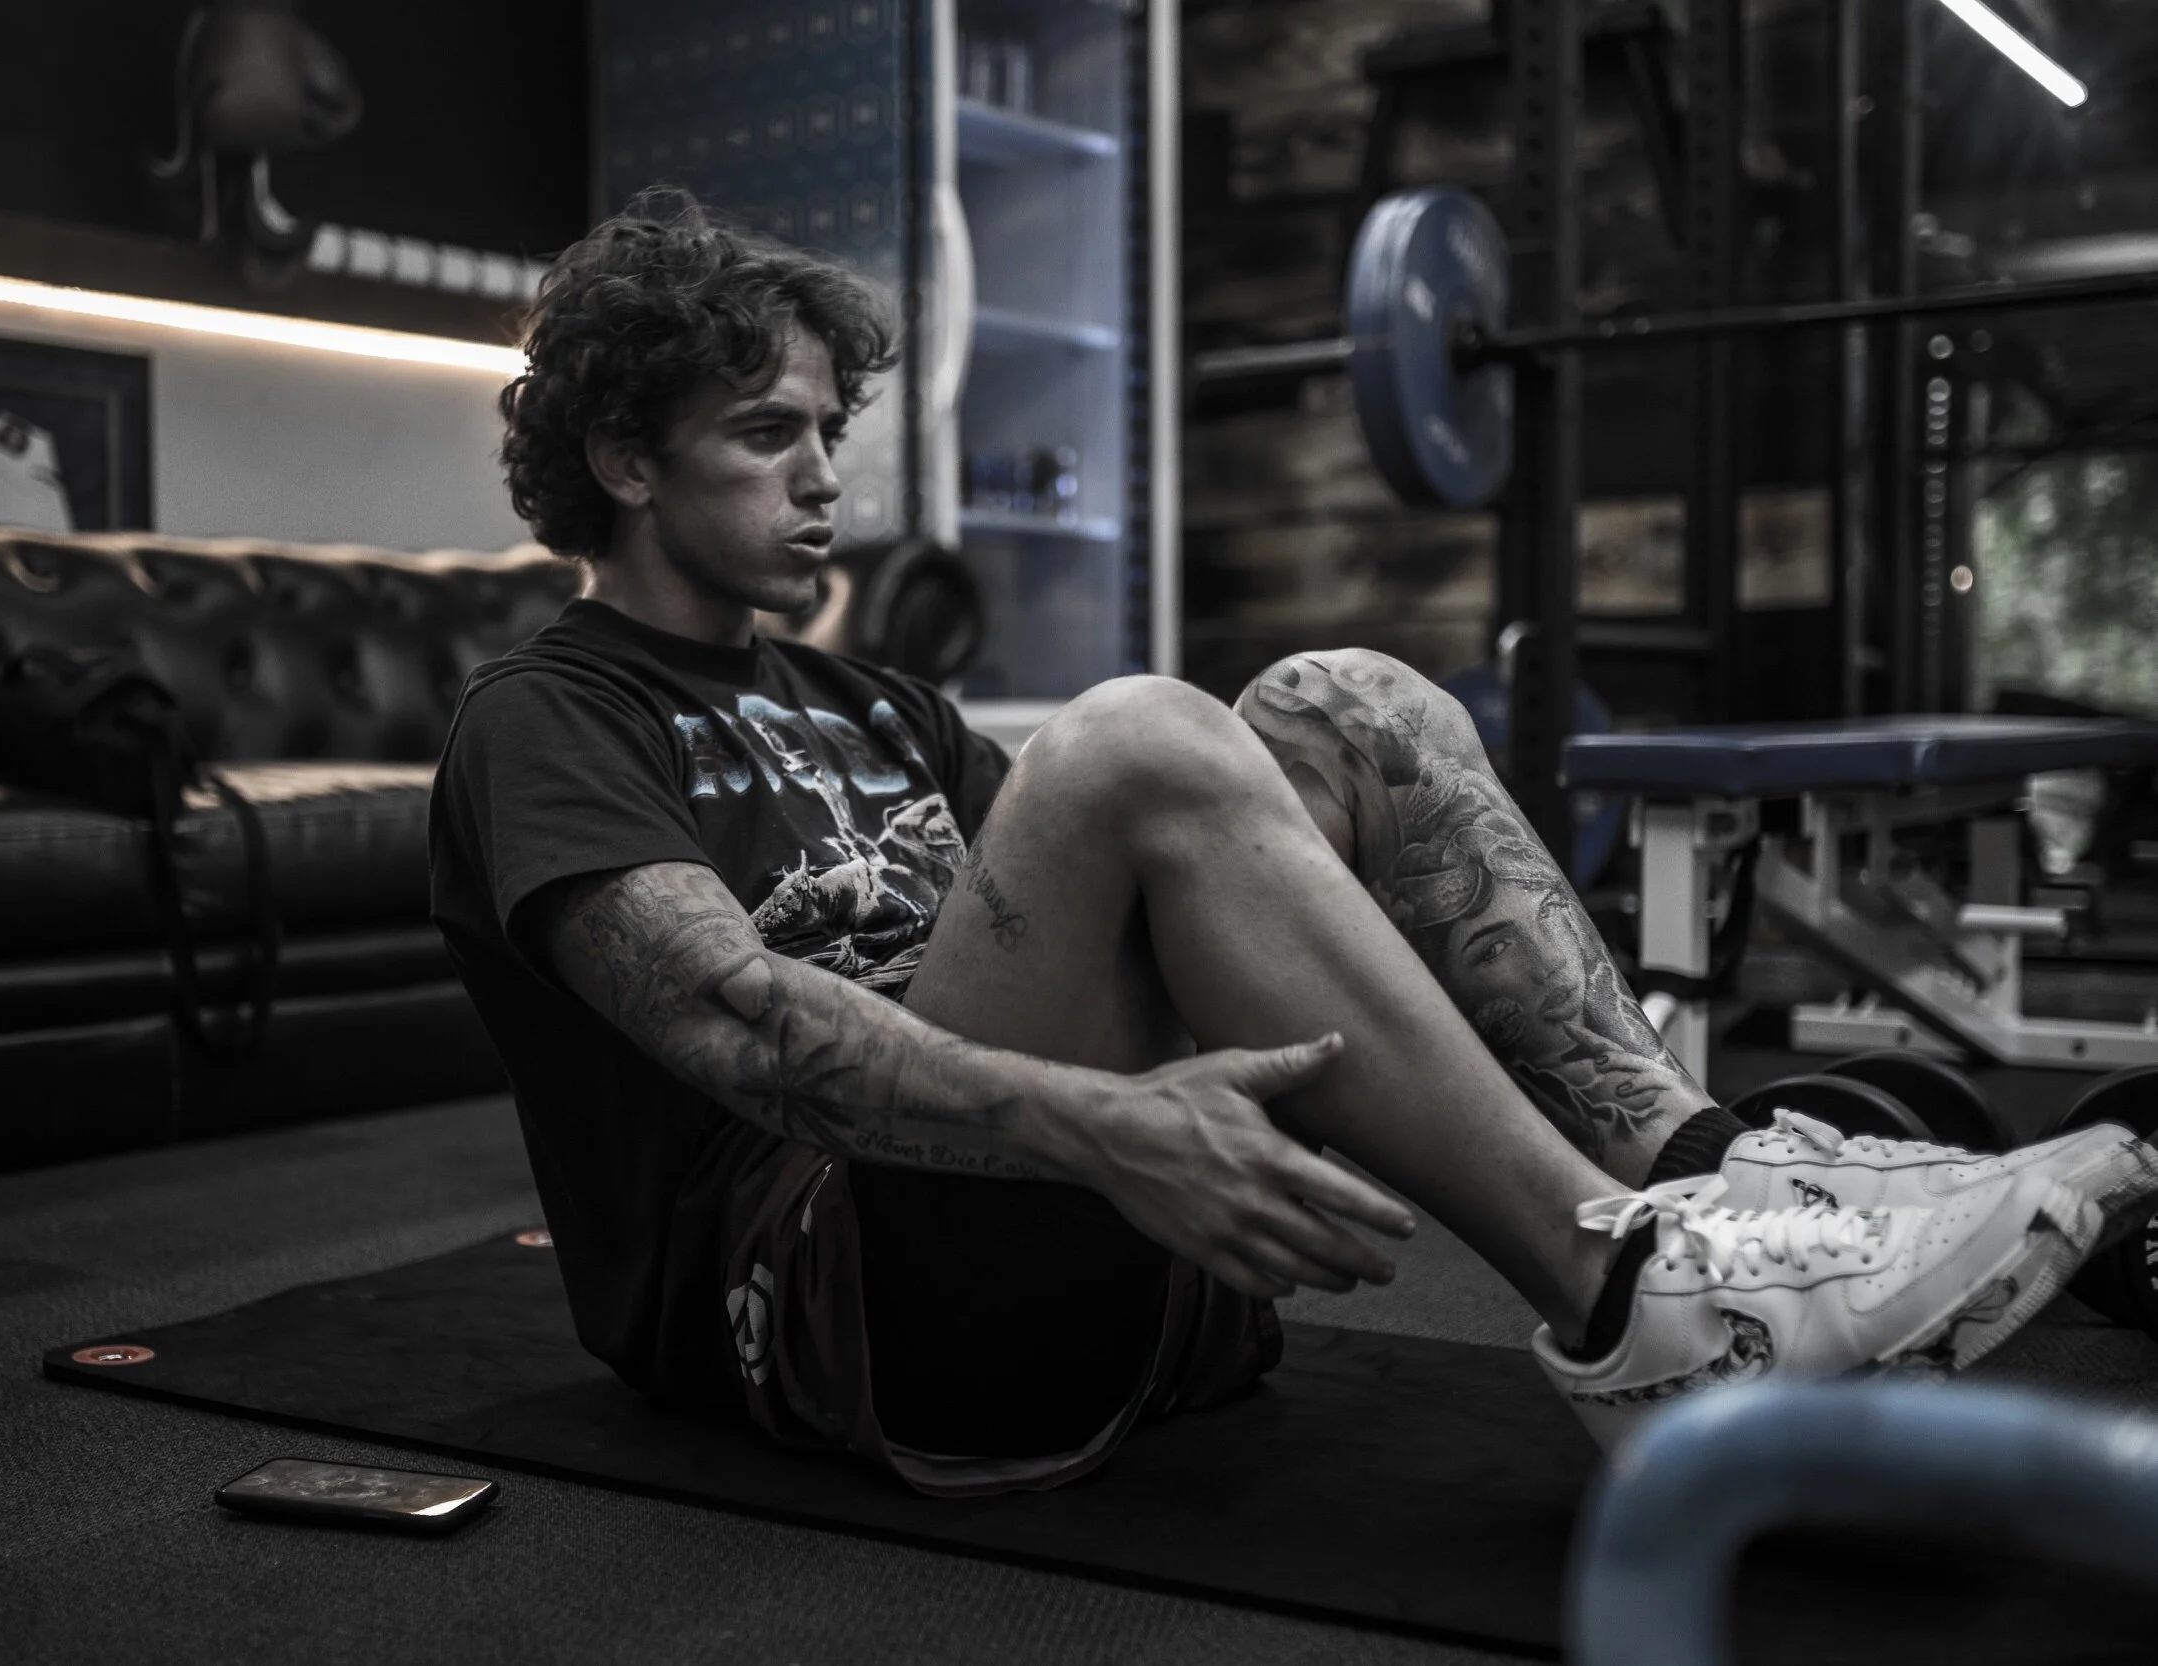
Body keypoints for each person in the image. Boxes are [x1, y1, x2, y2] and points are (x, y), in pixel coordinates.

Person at [428, 191, 2157, 1493]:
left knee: (1351, 699)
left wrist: (1148, 1109)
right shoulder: (549, 718)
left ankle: (1716, 1180)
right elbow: (740, 1028)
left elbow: (1070, 928)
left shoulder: (870, 699)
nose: (825, 479)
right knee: (1130, 739)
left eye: (830, 431)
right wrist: (1118, 1123)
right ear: (621, 461)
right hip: (862, 1316)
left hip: (1124, 1254)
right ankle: (1627, 1292)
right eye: (766, 435)